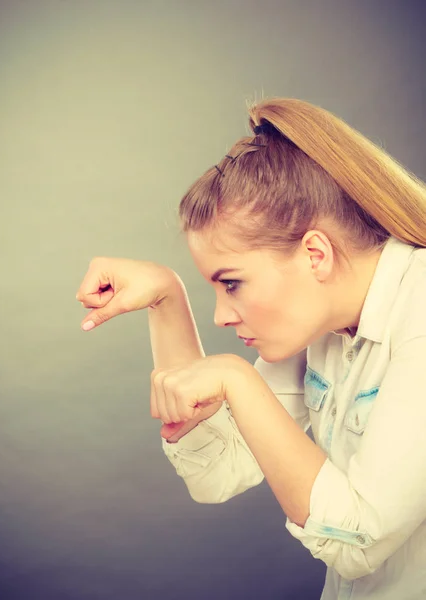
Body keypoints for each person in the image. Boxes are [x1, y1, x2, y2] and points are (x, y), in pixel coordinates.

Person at [75, 97, 426, 600]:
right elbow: (218, 471)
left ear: (315, 255)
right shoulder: (321, 320)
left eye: (232, 284)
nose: (220, 315)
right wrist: (166, 299)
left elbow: (358, 539)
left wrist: (238, 380)